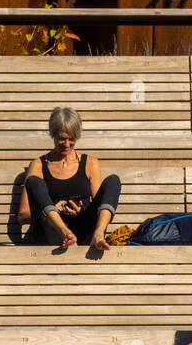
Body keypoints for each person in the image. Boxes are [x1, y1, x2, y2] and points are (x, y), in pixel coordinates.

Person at [17, 106, 123, 251]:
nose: (67, 144)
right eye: (62, 139)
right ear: (53, 135)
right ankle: (66, 233)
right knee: (34, 181)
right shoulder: (37, 165)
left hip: (83, 230)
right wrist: (54, 210)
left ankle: (98, 235)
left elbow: (100, 206)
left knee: (113, 180)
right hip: (51, 233)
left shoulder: (90, 163)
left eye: (71, 139)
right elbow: (23, 216)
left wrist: (82, 211)